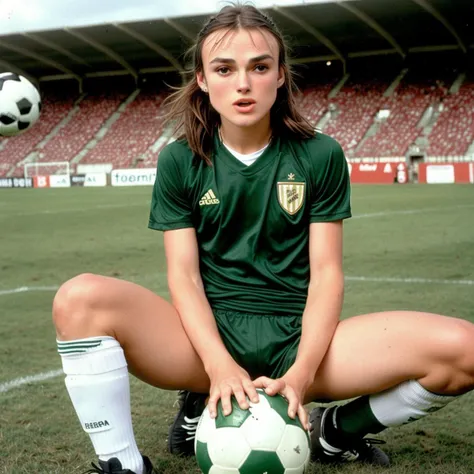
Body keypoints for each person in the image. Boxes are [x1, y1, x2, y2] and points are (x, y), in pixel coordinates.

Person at [52, 3, 474, 474]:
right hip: (204, 345)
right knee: (80, 299)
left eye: (259, 66)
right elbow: (184, 278)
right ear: (203, 80)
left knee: (463, 351)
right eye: (224, 69)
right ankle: (123, 465)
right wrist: (217, 364)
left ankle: (336, 432)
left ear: (280, 75)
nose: (243, 83)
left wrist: (302, 372)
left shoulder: (320, 154)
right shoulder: (179, 160)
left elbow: (327, 275)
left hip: (300, 340)